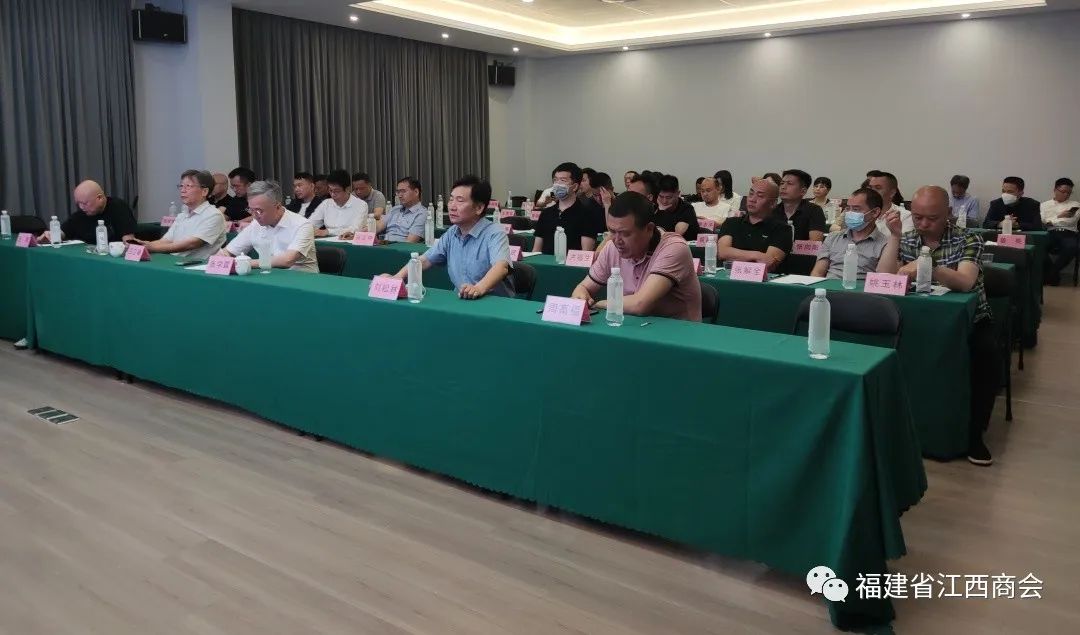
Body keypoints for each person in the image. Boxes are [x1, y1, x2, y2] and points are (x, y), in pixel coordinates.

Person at [878, 186, 997, 466]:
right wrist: (894, 237)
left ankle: (974, 435)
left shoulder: (969, 238)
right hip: (917, 320)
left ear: (949, 213)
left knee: (986, 356)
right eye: (917, 217)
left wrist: (927, 264)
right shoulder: (908, 238)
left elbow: (965, 282)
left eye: (931, 218)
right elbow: (884, 277)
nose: (923, 224)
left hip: (971, 320)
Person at [572, 192, 701, 322]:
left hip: (676, 331)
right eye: (612, 231)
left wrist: (600, 304)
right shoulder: (612, 247)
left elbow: (640, 305)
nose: (617, 240)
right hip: (631, 327)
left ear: (649, 229)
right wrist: (580, 295)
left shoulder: (673, 248)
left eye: (625, 233)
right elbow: (583, 287)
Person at [386, 175, 513, 299]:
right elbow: (424, 260)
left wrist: (478, 288)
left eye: (460, 201)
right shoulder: (452, 233)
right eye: (451, 199)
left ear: (479, 208)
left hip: (494, 302)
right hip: (462, 299)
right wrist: (397, 277)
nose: (452, 206)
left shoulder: (494, 233)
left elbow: (501, 267)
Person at [219, 180, 318, 272]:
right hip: (269, 277)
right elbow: (228, 252)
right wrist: (219, 259)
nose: (254, 216)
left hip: (302, 279)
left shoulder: (302, 225)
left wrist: (245, 263)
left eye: (259, 211)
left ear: (277, 206)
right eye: (251, 210)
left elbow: (287, 260)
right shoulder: (255, 224)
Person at [135, 170, 226, 260]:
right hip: (174, 262)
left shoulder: (214, 215)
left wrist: (152, 248)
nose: (182, 190)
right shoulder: (182, 216)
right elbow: (166, 240)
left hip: (196, 266)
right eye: (181, 186)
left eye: (188, 186)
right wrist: (142, 245)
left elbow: (192, 244)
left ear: (204, 191)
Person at [810, 188, 890, 280]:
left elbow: (884, 278)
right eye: (848, 208)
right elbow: (818, 272)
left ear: (875, 212)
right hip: (829, 286)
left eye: (856, 209)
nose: (850, 213)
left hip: (861, 288)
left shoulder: (885, 244)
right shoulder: (833, 237)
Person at [717, 177, 791, 272]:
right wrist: (757, 255)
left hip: (764, 280)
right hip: (728, 276)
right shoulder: (731, 222)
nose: (752, 199)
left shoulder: (782, 229)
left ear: (773, 203)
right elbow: (723, 252)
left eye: (760, 196)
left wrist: (734, 255)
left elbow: (768, 263)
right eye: (751, 194)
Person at [533, 162, 603, 255]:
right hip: (544, 263)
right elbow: (536, 250)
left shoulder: (587, 214)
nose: (557, 184)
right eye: (555, 180)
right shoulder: (546, 213)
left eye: (563, 180)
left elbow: (586, 253)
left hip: (572, 263)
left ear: (575, 187)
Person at [39, 180, 136, 245]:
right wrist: (51, 235)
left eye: (85, 203)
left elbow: (129, 240)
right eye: (78, 203)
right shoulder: (81, 214)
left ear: (99, 198)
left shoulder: (118, 207)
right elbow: (63, 232)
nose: (81, 207)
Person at [773, 169, 827, 275]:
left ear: (803, 191)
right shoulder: (772, 211)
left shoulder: (814, 210)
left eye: (789, 184)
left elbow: (814, 244)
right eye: (782, 183)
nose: (783, 187)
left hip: (803, 267)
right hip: (775, 265)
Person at [1040, 177, 1079, 285]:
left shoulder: (1075, 205)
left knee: (1072, 247)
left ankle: (1051, 274)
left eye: (1069, 193)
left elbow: (1071, 221)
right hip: (1050, 232)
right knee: (1038, 246)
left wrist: (1051, 220)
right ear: (1055, 190)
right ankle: (1053, 275)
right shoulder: (1044, 205)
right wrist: (1060, 216)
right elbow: (1043, 221)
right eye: (1063, 191)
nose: (1066, 195)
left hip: (1069, 233)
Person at [307, 169, 367, 237]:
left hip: (347, 242)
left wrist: (328, 231)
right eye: (330, 190)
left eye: (336, 191)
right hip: (327, 241)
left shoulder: (361, 205)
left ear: (347, 189)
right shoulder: (326, 203)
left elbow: (356, 229)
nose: (332, 194)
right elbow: (310, 223)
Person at [374, 177, 426, 243]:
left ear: (416, 192)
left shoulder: (422, 214)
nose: (400, 195)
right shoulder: (395, 209)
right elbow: (378, 226)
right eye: (398, 192)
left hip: (400, 246)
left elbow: (410, 242)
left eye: (403, 191)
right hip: (383, 244)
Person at [654, 174, 700, 240]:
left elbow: (676, 235)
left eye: (668, 197)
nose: (664, 201)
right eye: (661, 196)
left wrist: (661, 211)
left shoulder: (687, 209)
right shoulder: (654, 208)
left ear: (678, 194)